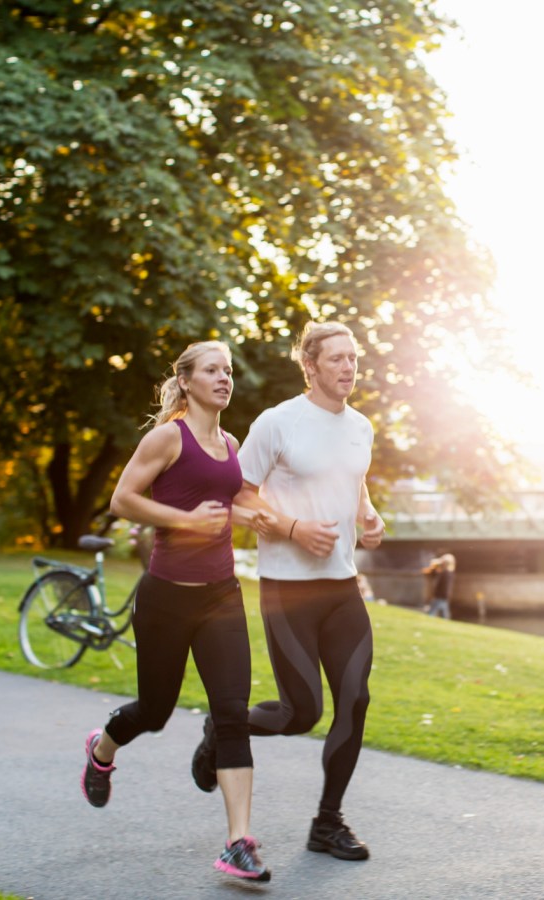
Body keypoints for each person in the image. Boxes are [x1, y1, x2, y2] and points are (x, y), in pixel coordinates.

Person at [192, 320, 384, 862]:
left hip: (342, 587)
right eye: (337, 359)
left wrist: (369, 515)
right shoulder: (279, 423)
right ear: (310, 365)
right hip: (288, 589)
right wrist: (295, 529)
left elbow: (354, 481)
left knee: (356, 699)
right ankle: (222, 730)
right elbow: (237, 497)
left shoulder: (361, 427)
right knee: (302, 713)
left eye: (353, 358)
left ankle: (328, 823)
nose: (348, 367)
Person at [79, 340, 271, 883]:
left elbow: (222, 502)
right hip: (166, 596)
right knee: (155, 711)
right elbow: (122, 499)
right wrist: (185, 521)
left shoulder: (231, 443)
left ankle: (238, 843)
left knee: (232, 713)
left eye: (228, 371)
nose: (223, 378)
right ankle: (101, 748)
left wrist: (248, 516)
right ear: (186, 381)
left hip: (220, 596)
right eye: (211, 370)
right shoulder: (168, 437)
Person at [424, 553, 455, 619]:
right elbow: (432, 574)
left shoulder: (446, 573)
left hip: (440, 597)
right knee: (444, 615)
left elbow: (432, 574)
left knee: (431, 613)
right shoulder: (446, 573)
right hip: (443, 597)